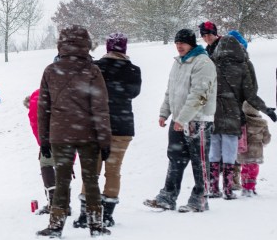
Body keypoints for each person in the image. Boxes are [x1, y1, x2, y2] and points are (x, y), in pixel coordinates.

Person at [36, 25, 111, 238]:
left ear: (61, 44)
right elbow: (100, 107)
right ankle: (96, 224)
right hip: (88, 135)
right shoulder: (92, 71)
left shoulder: (51, 71)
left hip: (60, 135)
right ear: (86, 44)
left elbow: (44, 108)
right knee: (91, 181)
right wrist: (104, 140)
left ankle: (56, 224)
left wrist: (44, 140)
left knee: (61, 181)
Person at [73, 33, 141, 229]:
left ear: (107, 47)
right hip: (122, 127)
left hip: (95, 126)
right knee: (113, 171)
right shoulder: (133, 70)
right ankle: (108, 215)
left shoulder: (95, 68)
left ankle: (86, 214)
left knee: (91, 171)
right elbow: (134, 93)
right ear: (125, 49)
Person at [144, 29, 217, 213]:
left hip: (198, 121)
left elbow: (199, 95)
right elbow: (171, 90)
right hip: (179, 119)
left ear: (191, 44)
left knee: (199, 161)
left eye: (182, 43)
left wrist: (184, 118)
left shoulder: (203, 63)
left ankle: (200, 199)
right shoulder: (178, 63)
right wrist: (164, 113)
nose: (179, 46)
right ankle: (167, 197)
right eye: (177, 43)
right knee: (175, 158)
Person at [208, 35, 275, 200]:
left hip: (214, 114)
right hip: (233, 115)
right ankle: (228, 189)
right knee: (230, 153)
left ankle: (213, 187)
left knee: (214, 151)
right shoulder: (242, 67)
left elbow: (203, 91)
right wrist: (267, 110)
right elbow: (251, 96)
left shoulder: (212, 66)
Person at [24, 88, 57, 215]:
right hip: (68, 136)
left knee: (46, 165)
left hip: (49, 138)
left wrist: (42, 144)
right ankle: (65, 203)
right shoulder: (61, 90)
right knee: (63, 167)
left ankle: (54, 204)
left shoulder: (36, 98)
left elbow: (35, 123)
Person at [239, 101, 272, 196]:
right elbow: (266, 138)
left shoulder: (241, 121)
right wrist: (265, 141)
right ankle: (250, 187)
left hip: (243, 149)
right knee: (253, 169)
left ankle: (245, 186)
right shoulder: (261, 123)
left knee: (244, 168)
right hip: (256, 150)